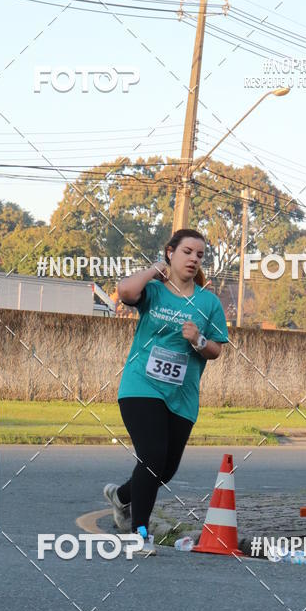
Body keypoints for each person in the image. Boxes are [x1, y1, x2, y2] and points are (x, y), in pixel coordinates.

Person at [103, 228, 229, 554]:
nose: (193, 259)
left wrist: (198, 340)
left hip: (182, 395)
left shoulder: (208, 302)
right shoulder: (155, 292)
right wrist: (152, 270)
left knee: (166, 470)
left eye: (199, 255)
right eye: (187, 251)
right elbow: (125, 291)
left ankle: (121, 497)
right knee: (152, 457)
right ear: (170, 252)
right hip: (140, 385)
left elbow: (215, 350)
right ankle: (140, 534)